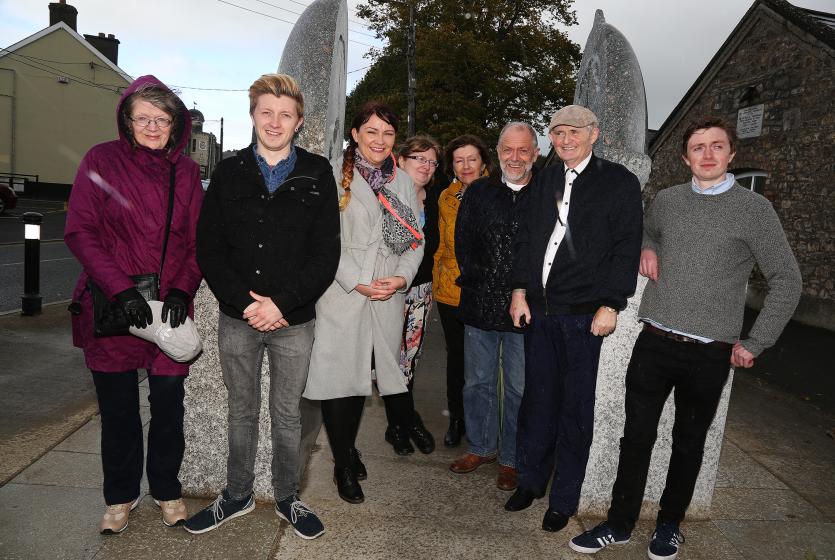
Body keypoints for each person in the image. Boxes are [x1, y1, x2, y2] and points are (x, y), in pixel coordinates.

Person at [569, 117, 802, 560]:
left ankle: (669, 526)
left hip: (710, 354)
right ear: (685, 157)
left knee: (689, 443)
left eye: (717, 146)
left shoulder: (755, 211)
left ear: (732, 154)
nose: (708, 154)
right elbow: (646, 229)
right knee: (635, 438)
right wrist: (648, 246)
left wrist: (757, 341)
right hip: (654, 342)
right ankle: (618, 523)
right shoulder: (668, 200)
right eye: (698, 147)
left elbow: (787, 280)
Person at [187, 74, 339, 540]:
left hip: (294, 320)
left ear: (298, 122)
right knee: (241, 410)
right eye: (266, 112)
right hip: (239, 318)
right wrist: (245, 303)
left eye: (285, 114)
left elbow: (326, 254)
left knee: (288, 413)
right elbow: (209, 248)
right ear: (253, 115)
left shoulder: (317, 172)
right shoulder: (229, 172)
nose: (275, 122)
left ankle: (288, 497)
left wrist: (282, 304)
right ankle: (237, 495)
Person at [65, 75, 204, 534]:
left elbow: (197, 242)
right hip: (112, 304)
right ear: (126, 120)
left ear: (176, 124)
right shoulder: (100, 160)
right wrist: (121, 289)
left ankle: (166, 489)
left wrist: (182, 290)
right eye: (143, 118)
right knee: (119, 410)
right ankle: (120, 496)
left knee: (168, 406)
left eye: (161, 119)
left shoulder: (187, 173)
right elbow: (80, 230)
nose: (152, 127)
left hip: (167, 308)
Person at [507, 105, 643, 533]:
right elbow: (526, 239)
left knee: (574, 410)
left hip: (584, 317)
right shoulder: (544, 179)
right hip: (539, 313)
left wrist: (611, 304)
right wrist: (519, 291)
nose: (565, 140)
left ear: (594, 134)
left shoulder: (618, 181)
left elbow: (626, 245)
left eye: (574, 132)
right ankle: (530, 482)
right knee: (537, 403)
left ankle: (563, 500)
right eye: (558, 132)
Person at [304, 102, 424, 504]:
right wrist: (356, 281)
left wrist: (401, 278)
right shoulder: (331, 175)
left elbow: (416, 239)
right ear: (355, 134)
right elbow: (320, 239)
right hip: (342, 291)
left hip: (387, 292)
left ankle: (347, 448)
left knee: (367, 377)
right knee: (342, 379)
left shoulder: (402, 181)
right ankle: (342, 461)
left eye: (388, 133)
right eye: (371, 131)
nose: (379, 140)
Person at [449, 123, 539, 492]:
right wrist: (481, 281)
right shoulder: (479, 192)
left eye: (523, 150)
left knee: (519, 387)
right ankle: (481, 448)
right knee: (477, 382)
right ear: (498, 152)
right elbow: (463, 243)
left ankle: (512, 459)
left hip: (527, 308)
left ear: (535, 153)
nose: (515, 158)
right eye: (508, 150)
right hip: (480, 303)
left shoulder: (547, 192)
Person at [379, 135, 443, 455]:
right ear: (401, 160)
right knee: (385, 360)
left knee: (408, 361)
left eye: (432, 161)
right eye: (419, 158)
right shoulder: (383, 194)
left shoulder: (436, 200)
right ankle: (408, 421)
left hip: (420, 291)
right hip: (386, 291)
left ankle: (397, 427)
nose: (426, 166)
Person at [434, 134, 493, 447]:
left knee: (483, 363)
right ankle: (456, 418)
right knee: (456, 358)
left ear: (483, 162)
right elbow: (441, 245)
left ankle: (482, 422)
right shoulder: (446, 197)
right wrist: (436, 280)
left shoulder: (498, 192)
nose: (466, 165)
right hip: (450, 290)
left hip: (485, 291)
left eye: (472, 159)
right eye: (459, 160)